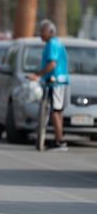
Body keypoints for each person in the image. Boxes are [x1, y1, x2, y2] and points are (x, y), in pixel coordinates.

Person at [27, 19, 69, 151]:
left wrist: (37, 75)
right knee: (57, 111)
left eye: (42, 31)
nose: (40, 34)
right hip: (55, 81)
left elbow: (52, 63)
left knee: (55, 111)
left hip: (55, 81)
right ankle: (58, 139)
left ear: (51, 32)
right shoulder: (54, 43)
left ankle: (60, 141)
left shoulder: (52, 44)